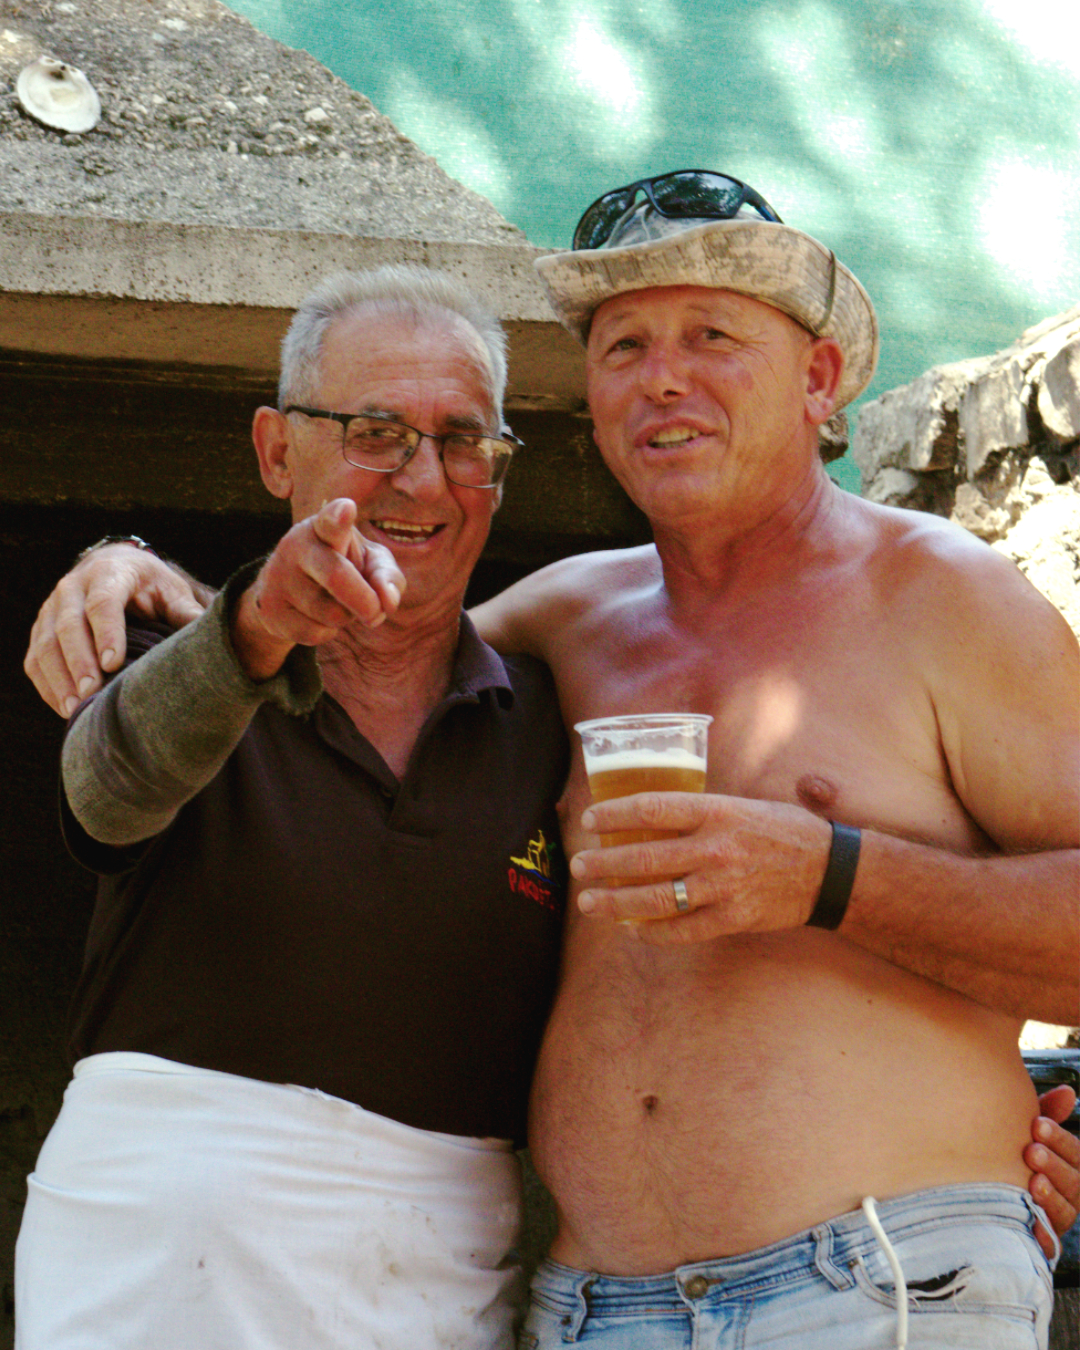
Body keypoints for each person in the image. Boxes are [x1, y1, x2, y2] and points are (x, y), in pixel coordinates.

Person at [23, 174, 1080, 1346]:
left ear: (819, 378)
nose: (663, 377)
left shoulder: (945, 599)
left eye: (712, 336)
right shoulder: (562, 626)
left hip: (875, 1279)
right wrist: (127, 565)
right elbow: (351, 638)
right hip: (593, 1311)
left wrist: (828, 872)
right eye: (625, 345)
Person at [14, 264, 570, 1350]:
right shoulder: (180, 652)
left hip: (440, 1287)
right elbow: (104, 795)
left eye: (464, 441)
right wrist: (255, 626)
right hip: (152, 1275)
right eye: (377, 433)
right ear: (277, 452)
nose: (424, 480)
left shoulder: (548, 718)